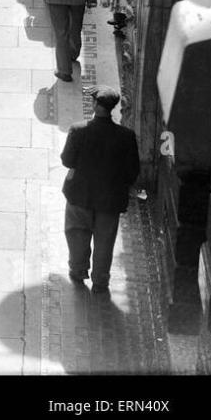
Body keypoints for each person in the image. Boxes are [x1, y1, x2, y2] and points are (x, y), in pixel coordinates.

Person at [61, 86, 140, 293]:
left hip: (80, 195)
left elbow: (67, 160)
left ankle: (78, 270)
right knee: (105, 241)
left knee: (77, 233)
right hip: (110, 200)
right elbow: (133, 172)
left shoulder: (78, 130)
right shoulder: (126, 136)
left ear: (96, 105)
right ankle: (100, 280)